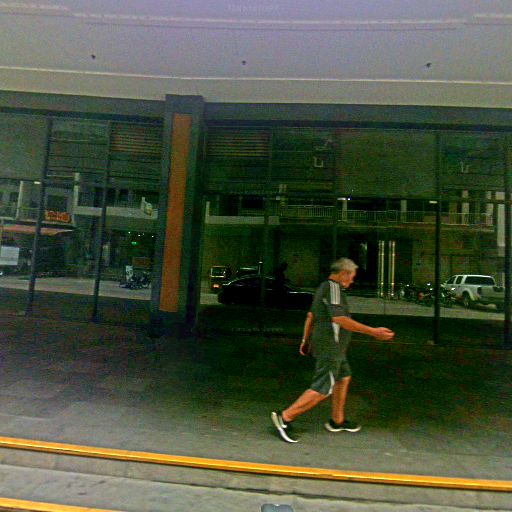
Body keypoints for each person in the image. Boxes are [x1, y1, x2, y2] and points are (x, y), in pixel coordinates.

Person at [271, 257, 395, 443]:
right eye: (351, 276)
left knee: (343, 377)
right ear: (343, 273)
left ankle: (337, 420)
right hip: (331, 347)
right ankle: (285, 417)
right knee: (322, 388)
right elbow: (340, 319)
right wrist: (373, 332)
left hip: (331, 347)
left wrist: (305, 340)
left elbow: (311, 316)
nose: (352, 281)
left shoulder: (323, 287)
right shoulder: (333, 288)